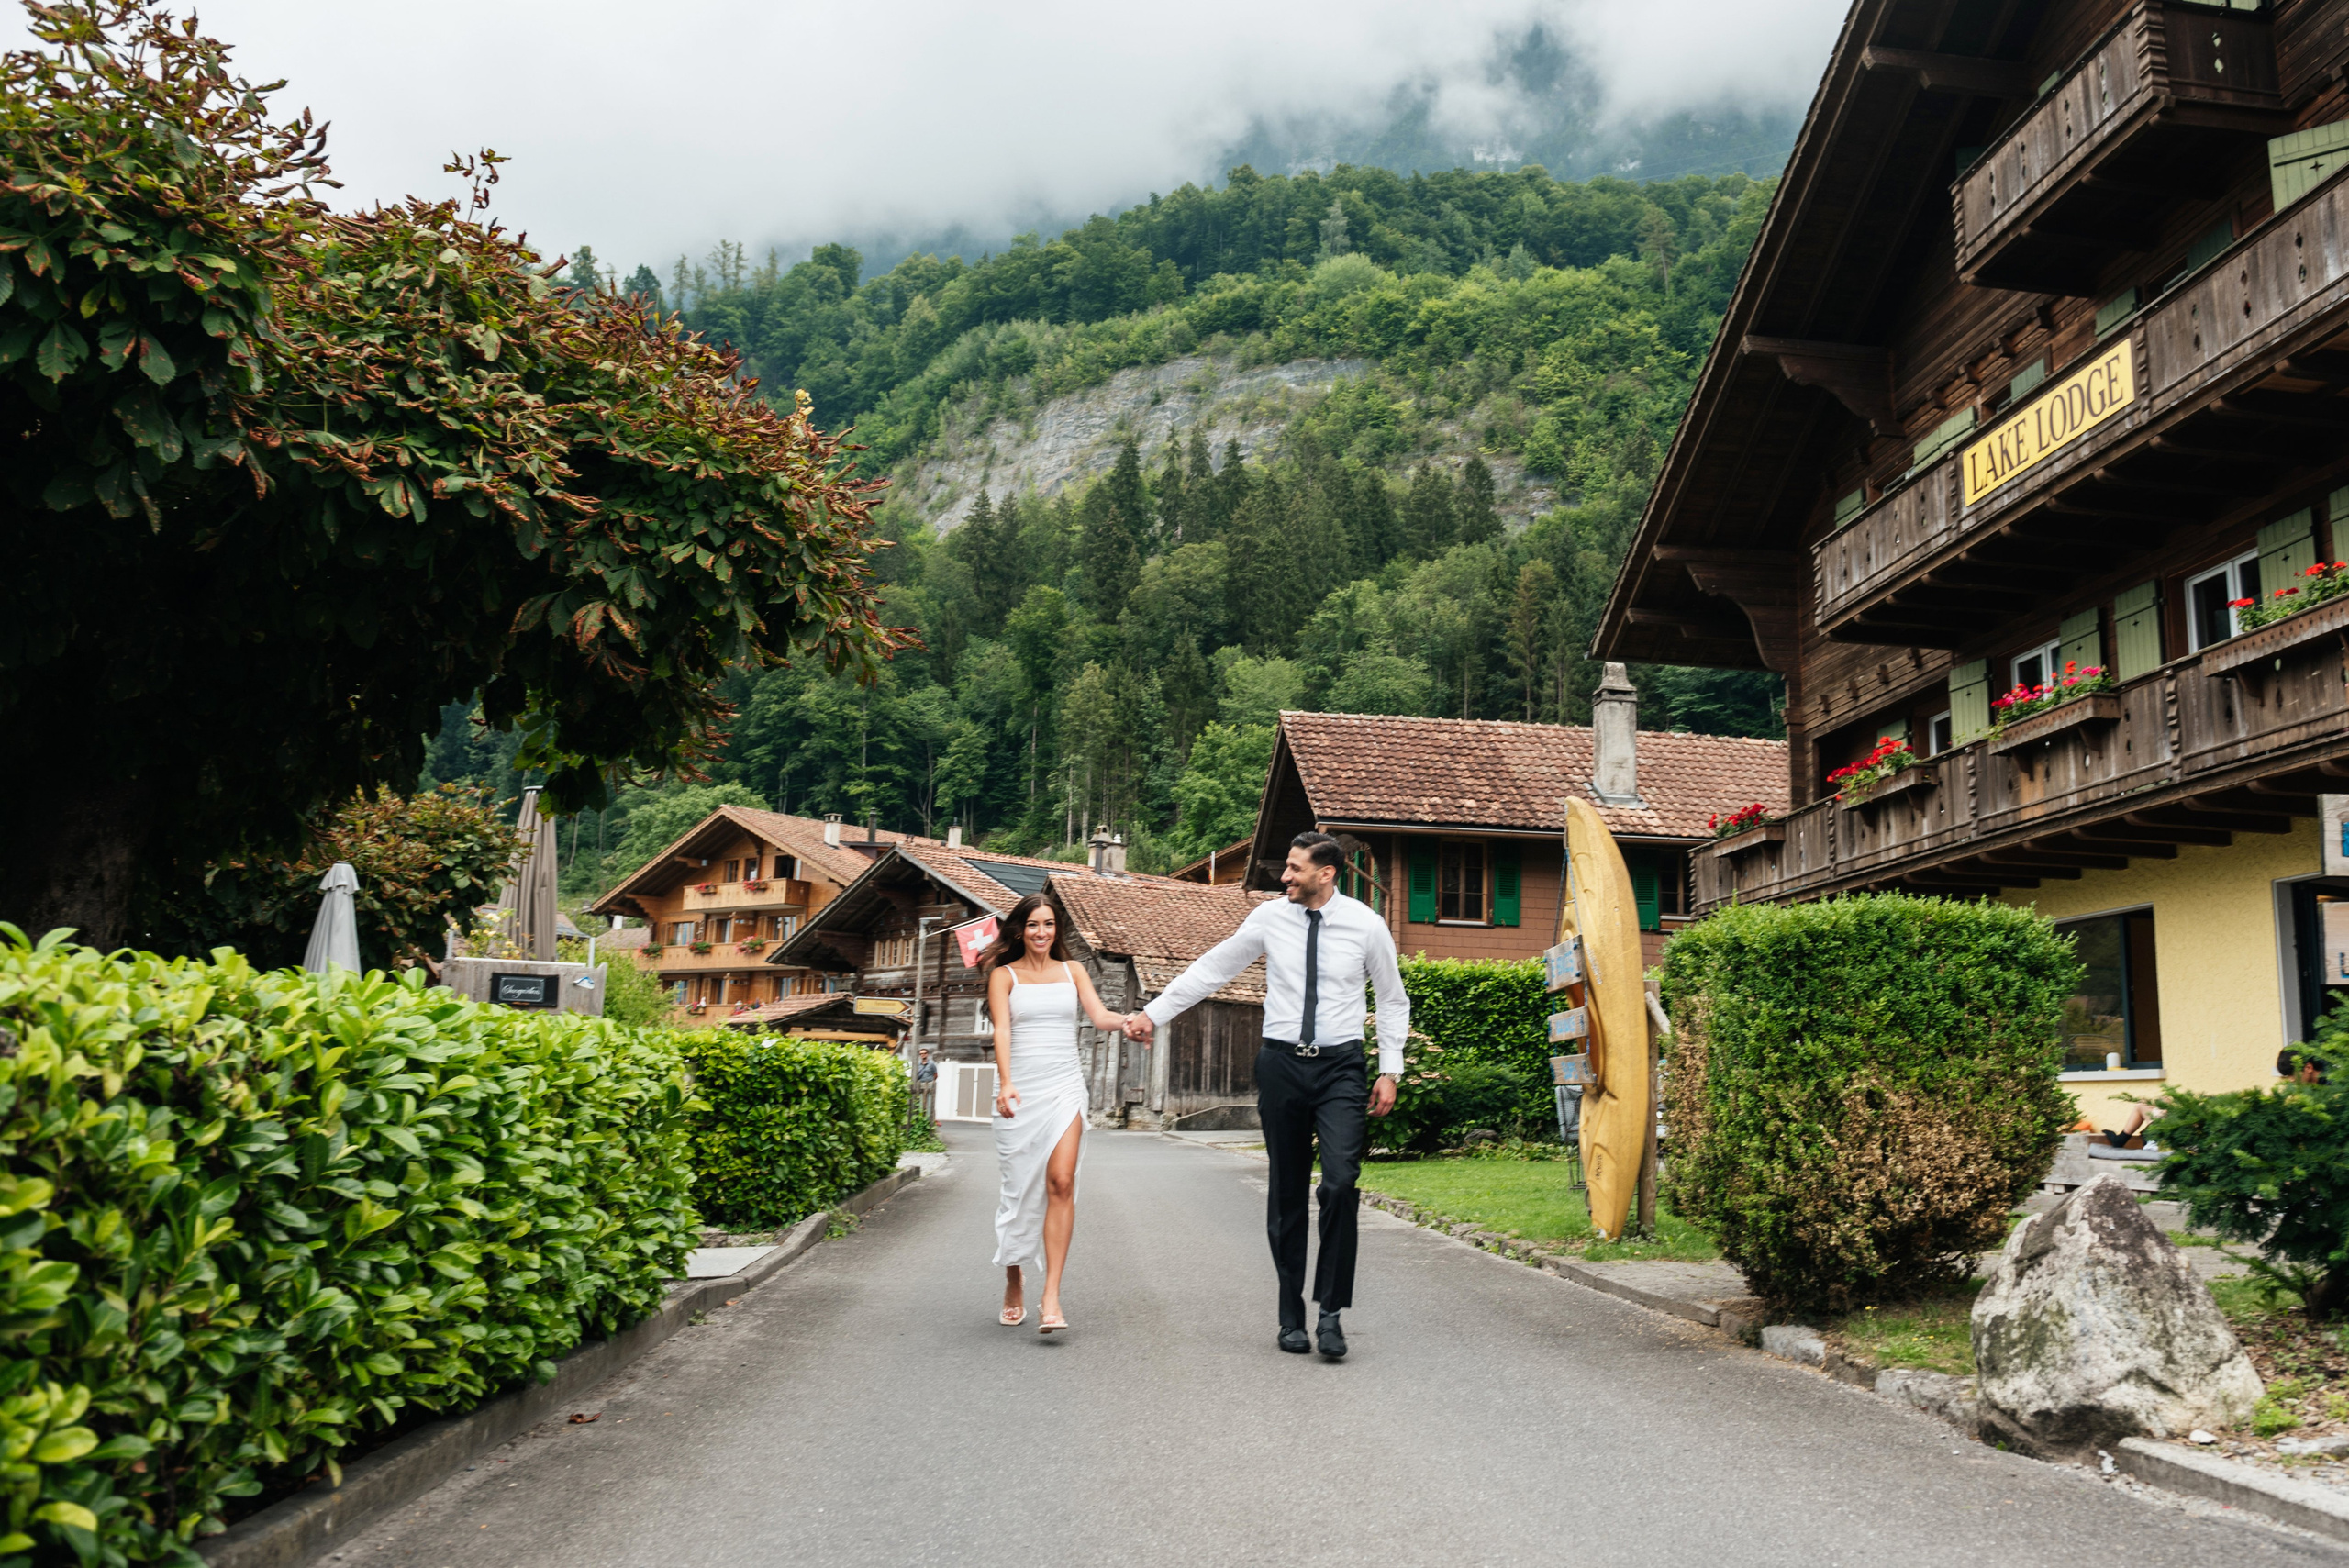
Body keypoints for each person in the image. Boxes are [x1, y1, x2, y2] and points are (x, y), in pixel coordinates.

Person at [1126, 830, 1408, 1360]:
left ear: (1326, 874)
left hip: (1341, 1068)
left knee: (1342, 1185)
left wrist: (1389, 1068)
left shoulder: (1367, 927)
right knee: (1286, 1191)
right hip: (1281, 1064)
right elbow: (1213, 968)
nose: (1284, 877)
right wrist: (1152, 1013)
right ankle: (1289, 1314)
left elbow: (1393, 1000)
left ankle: (1330, 1313)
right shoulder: (1268, 919)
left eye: (1295, 868)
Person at [985, 892, 1142, 1335]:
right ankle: (1014, 1275)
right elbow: (1002, 1029)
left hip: (1064, 1086)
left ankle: (1051, 1295)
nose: (1041, 932)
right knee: (1018, 1191)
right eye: (1033, 924)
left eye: (1049, 924)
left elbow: (1099, 1015)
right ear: (1019, 929)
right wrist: (1007, 1080)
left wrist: (1131, 1020)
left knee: (1062, 1182)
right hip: (1020, 1091)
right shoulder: (1004, 976)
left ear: (1058, 930)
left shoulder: (1072, 971)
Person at [915, 1047, 938, 1122]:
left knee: (929, 1103)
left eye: (924, 1053)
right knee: (920, 1102)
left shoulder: (931, 1064)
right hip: (921, 1084)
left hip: (929, 1084)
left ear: (927, 1054)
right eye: (921, 1054)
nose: (923, 1055)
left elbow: (935, 1074)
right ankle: (921, 1118)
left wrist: (932, 1081)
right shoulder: (918, 1064)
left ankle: (929, 1119)